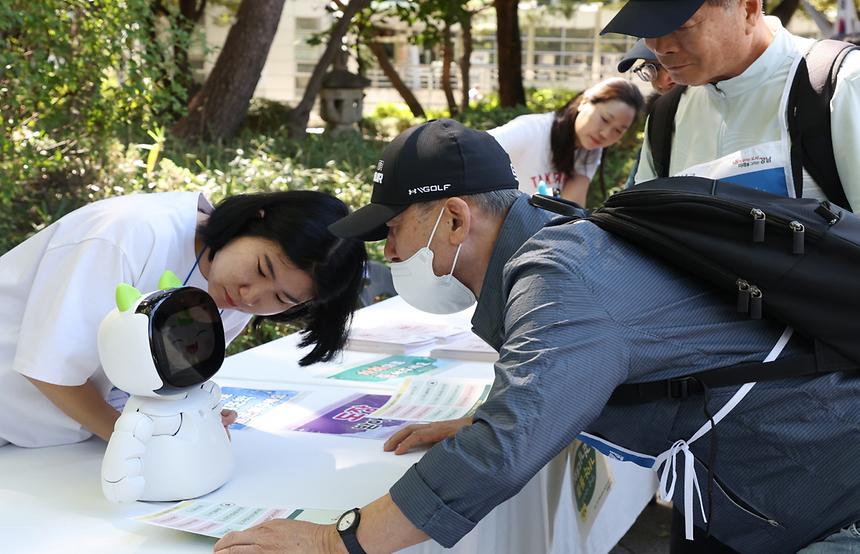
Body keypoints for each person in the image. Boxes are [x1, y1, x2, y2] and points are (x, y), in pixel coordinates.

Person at [213, 119, 860, 554]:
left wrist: (335, 541)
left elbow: (504, 446)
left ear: (455, 218)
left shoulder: (559, 272)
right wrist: (481, 417)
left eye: (392, 230)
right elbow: (553, 377)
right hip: (772, 460)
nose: (389, 249)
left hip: (809, 477)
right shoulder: (556, 233)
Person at [0, 189, 366, 448]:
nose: (251, 295)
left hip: (51, 440)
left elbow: (152, 378)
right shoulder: (129, 235)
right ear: (256, 221)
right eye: (261, 268)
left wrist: (184, 416)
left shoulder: (229, 290)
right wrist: (139, 442)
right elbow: (49, 369)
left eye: (282, 298)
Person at [602, 0, 860, 209]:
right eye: (647, 29)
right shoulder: (665, 113)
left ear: (748, 9)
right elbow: (643, 228)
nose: (660, 47)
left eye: (681, 26)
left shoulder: (843, 82)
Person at [488, 77, 644, 206]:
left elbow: (569, 208)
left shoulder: (590, 150)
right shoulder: (530, 130)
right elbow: (471, 150)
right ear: (584, 101)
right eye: (604, 119)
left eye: (618, 131)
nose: (605, 134)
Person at [617, 39, 679, 188]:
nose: (664, 80)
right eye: (653, 69)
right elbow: (635, 191)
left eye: (674, 63)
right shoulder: (659, 119)